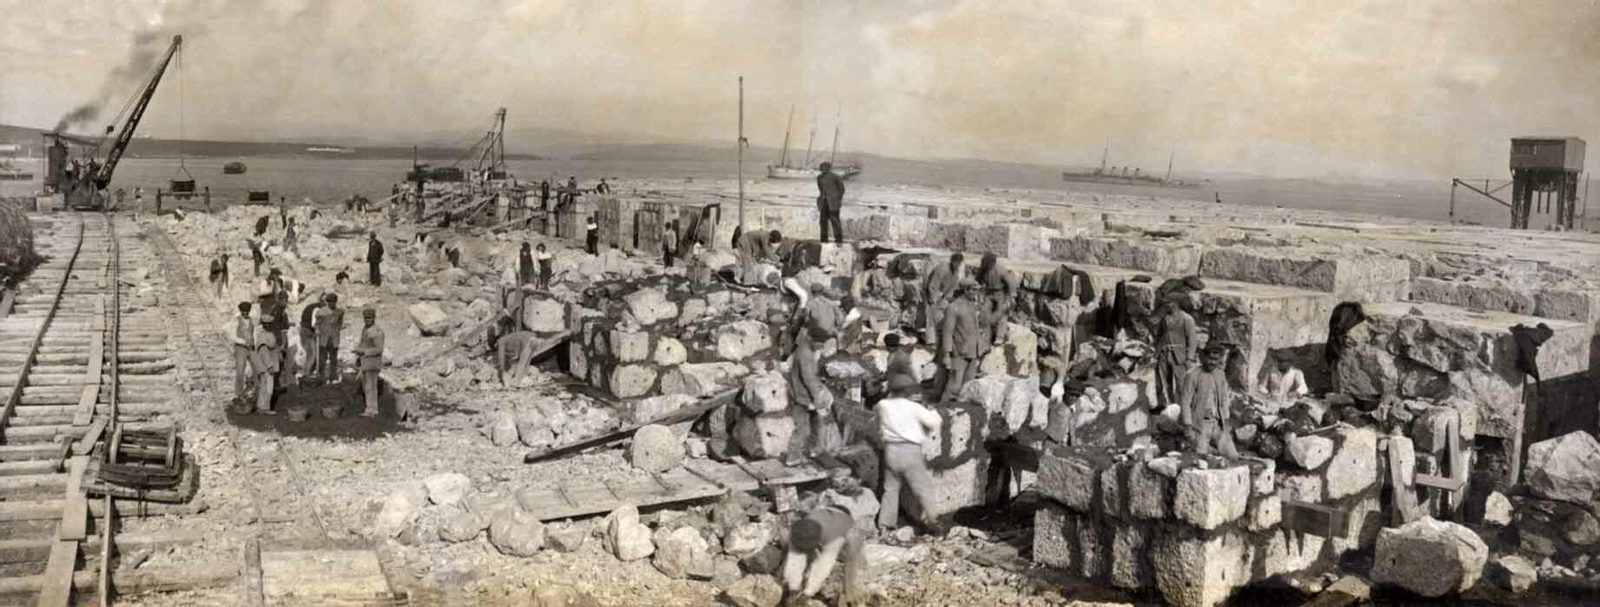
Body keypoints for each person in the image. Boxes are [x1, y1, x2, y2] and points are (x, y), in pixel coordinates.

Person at [875, 373, 944, 532]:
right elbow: (934, 422)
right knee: (923, 489)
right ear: (907, 391)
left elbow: (877, 412)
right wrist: (931, 410)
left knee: (890, 489)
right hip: (909, 451)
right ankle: (935, 524)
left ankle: (885, 526)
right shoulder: (914, 407)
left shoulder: (883, 405)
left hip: (891, 451)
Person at [782, 504, 864, 604]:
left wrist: (807, 594)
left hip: (841, 528)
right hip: (821, 520)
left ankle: (849, 596)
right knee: (799, 556)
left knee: (850, 559)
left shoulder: (835, 536)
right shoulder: (800, 528)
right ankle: (794, 590)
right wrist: (793, 590)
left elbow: (824, 565)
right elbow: (794, 560)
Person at [1180, 345, 1238, 457]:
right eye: (1210, 359)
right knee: (1201, 458)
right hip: (1200, 424)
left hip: (1217, 423)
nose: (1212, 362)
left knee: (1233, 456)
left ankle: (1213, 450)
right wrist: (1188, 426)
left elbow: (1224, 399)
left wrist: (1226, 421)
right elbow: (1185, 402)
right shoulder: (1192, 375)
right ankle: (1207, 449)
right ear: (1203, 358)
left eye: (1215, 359)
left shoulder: (1220, 374)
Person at [939, 279, 983, 402]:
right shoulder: (953, 307)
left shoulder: (972, 305)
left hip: (972, 352)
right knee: (954, 386)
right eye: (974, 290)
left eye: (977, 290)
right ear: (966, 290)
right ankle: (943, 410)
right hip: (958, 353)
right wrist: (947, 354)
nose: (976, 292)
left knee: (967, 387)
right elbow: (947, 332)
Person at [1154, 292, 1199, 406]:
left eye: (1168, 303)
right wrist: (1156, 354)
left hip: (1179, 356)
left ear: (1175, 304)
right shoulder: (1164, 319)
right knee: (1164, 382)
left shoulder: (1187, 319)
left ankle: (1184, 407)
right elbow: (1159, 337)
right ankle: (1167, 405)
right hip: (1164, 354)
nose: (1166, 305)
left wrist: (1189, 358)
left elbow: (1193, 341)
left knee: (1181, 383)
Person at [975, 253, 1019, 346]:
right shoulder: (983, 270)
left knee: (1002, 314)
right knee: (984, 312)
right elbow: (977, 281)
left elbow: (1011, 283)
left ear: (993, 263)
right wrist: (978, 293)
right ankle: (986, 336)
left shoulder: (1001, 270)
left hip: (1001, 293)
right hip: (989, 293)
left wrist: (1012, 297)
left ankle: (999, 337)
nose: (987, 266)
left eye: (989, 264)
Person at [922, 254, 962, 344]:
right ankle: (931, 341)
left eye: (959, 263)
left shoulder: (956, 271)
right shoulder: (942, 269)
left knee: (942, 317)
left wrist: (949, 298)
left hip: (944, 295)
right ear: (952, 260)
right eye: (956, 262)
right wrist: (933, 300)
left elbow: (953, 285)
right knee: (931, 316)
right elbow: (933, 285)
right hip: (931, 292)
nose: (957, 264)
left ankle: (941, 338)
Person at [355, 308, 385, 417]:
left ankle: (372, 410)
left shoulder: (377, 332)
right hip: (365, 363)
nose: (367, 320)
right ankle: (370, 408)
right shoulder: (365, 329)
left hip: (373, 363)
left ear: (374, 318)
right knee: (366, 387)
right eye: (366, 318)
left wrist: (363, 351)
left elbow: (379, 349)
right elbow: (363, 343)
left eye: (370, 318)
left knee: (371, 387)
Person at [314, 294, 344, 384]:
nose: (332, 304)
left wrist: (337, 331)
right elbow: (317, 324)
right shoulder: (321, 312)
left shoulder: (340, 312)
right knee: (322, 359)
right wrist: (317, 331)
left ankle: (333, 377)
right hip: (323, 339)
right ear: (327, 302)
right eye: (330, 302)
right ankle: (322, 377)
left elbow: (340, 323)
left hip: (334, 339)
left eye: (334, 302)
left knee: (333, 359)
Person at [816, 161, 846, 244]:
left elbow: (842, 190)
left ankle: (839, 241)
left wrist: (837, 200)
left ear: (829, 168)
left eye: (824, 167)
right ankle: (824, 241)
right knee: (823, 222)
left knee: (835, 222)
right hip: (823, 203)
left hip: (833, 203)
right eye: (821, 167)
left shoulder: (836, 177)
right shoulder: (819, 177)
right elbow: (820, 189)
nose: (822, 169)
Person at [230, 302, 254, 403]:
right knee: (240, 371)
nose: (245, 314)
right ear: (241, 312)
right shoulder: (237, 320)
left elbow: (253, 333)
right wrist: (243, 342)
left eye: (247, 312)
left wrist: (253, 342)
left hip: (250, 347)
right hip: (240, 348)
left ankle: (254, 390)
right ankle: (239, 393)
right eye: (243, 313)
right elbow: (232, 336)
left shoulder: (251, 320)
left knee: (256, 367)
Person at [252, 329, 279, 414]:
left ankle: (260, 406)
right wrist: (270, 367)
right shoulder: (264, 346)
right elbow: (266, 357)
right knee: (268, 388)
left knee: (263, 387)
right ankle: (265, 408)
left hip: (264, 369)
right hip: (267, 370)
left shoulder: (262, 339)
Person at [299, 295, 324, 381]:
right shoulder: (317, 309)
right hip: (307, 332)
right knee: (312, 354)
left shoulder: (315, 307)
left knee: (311, 354)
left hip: (306, 331)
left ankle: (308, 373)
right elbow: (314, 324)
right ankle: (306, 375)